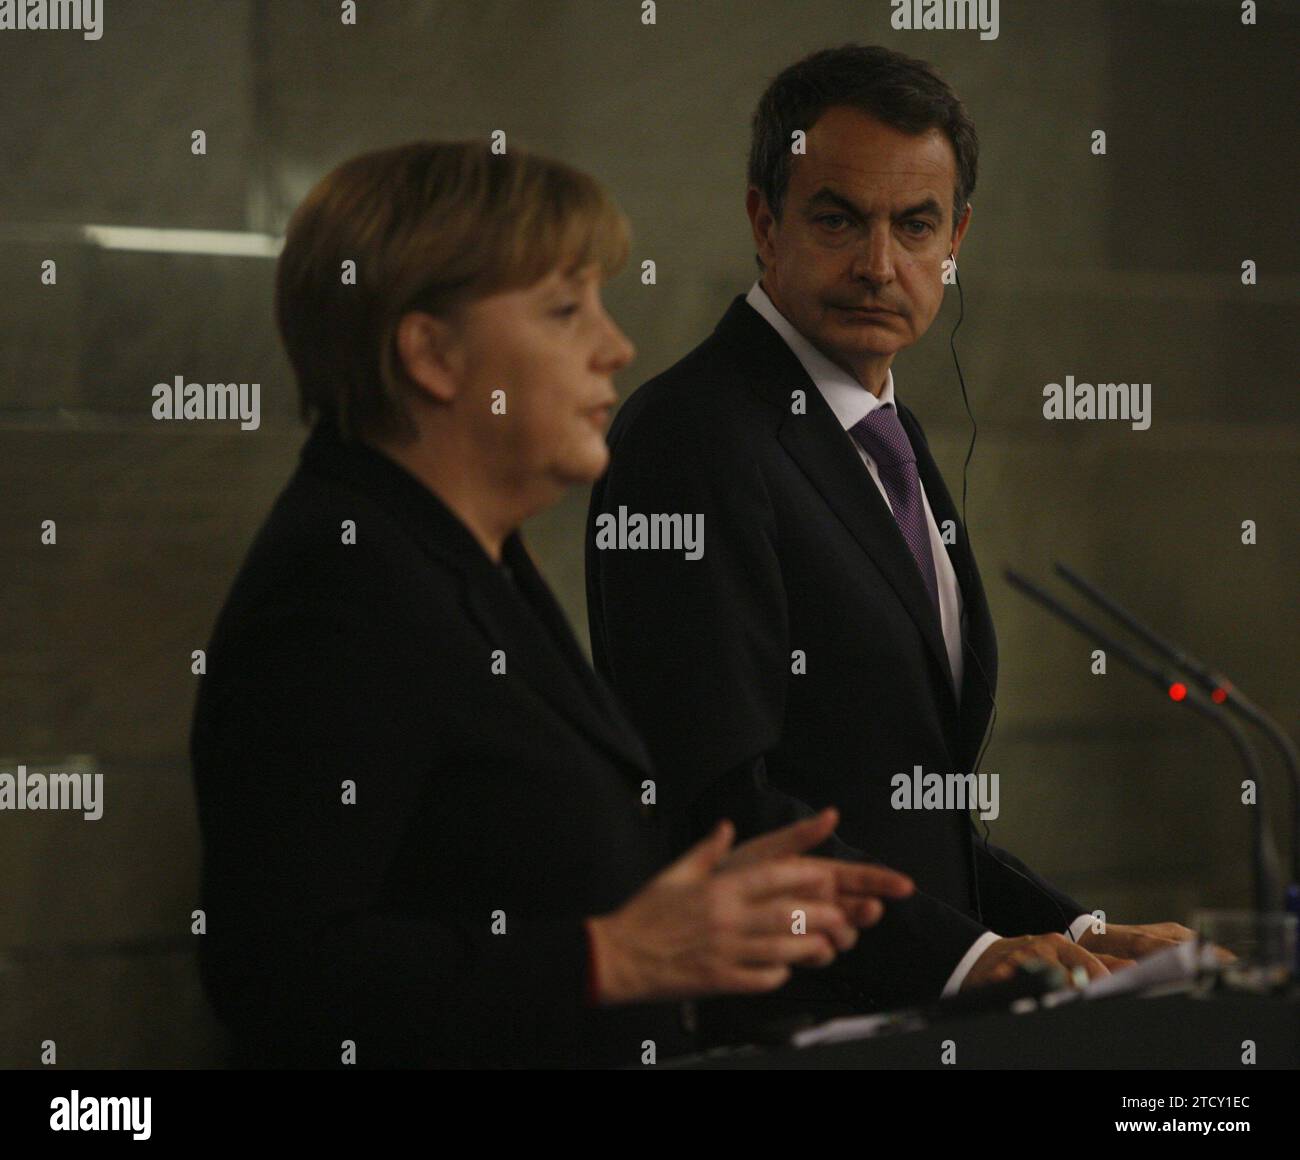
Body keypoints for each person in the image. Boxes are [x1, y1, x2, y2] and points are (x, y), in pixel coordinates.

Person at [189, 139, 914, 1069]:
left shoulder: (459, 552)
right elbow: (275, 975)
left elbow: (478, 864)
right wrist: (614, 955)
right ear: (431, 354)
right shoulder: (340, 589)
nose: (616, 346)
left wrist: (693, 909)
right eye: (566, 310)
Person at [585, 45, 1190, 1027]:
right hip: (779, 1028)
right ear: (761, 220)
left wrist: (1079, 935)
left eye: (914, 226)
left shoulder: (885, 430)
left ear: (955, 239)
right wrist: (973, 956)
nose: (878, 264)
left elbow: (904, 821)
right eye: (836, 218)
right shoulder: (691, 436)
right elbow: (721, 804)